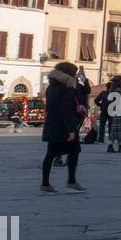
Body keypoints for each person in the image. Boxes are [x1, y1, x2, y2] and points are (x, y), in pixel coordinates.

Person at [40, 62, 85, 193]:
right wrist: (71, 130)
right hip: (64, 126)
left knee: (50, 154)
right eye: (74, 73)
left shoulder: (51, 87)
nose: (76, 75)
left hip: (52, 124)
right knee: (74, 151)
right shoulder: (67, 89)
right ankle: (71, 181)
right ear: (68, 74)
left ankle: (45, 184)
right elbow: (66, 110)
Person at [105, 78, 121, 153]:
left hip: (117, 111)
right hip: (120, 112)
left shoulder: (113, 90)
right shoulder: (118, 91)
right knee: (117, 130)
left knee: (118, 131)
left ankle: (119, 147)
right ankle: (113, 146)